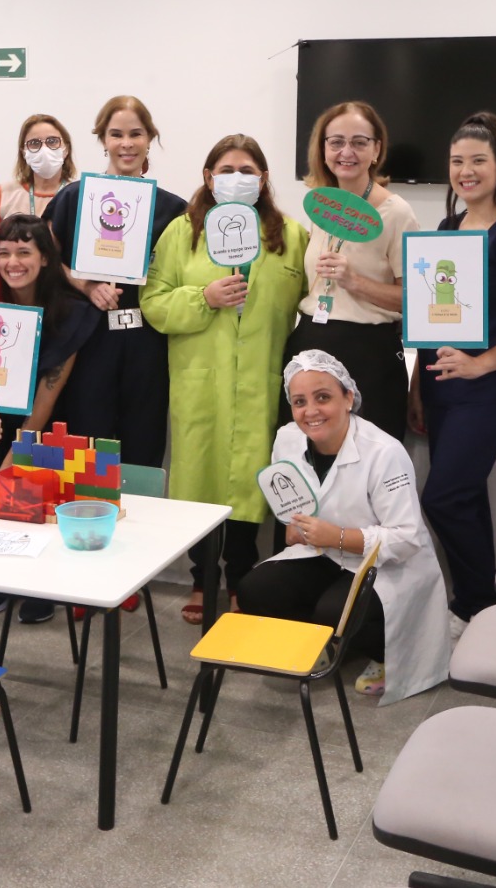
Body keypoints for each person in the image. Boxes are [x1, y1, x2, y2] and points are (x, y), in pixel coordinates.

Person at [142, 134, 310, 625]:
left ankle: (241, 580)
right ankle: (201, 579)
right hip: (201, 381)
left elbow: (310, 299)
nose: (237, 179)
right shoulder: (181, 233)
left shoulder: (290, 235)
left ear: (264, 178)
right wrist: (204, 298)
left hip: (261, 380)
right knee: (199, 479)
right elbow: (154, 302)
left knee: (250, 483)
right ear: (208, 177)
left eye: (247, 171)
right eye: (227, 170)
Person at [237, 350, 449, 704]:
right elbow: (290, 499)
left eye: (323, 397)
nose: (311, 411)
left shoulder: (384, 452)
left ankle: (384, 653)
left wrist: (337, 536)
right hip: (322, 553)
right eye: (299, 401)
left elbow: (407, 538)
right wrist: (293, 526)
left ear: (349, 397)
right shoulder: (288, 438)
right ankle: (328, 640)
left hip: (386, 564)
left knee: (335, 611)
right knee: (254, 590)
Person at [409, 113, 496, 630]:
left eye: (477, 161)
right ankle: (478, 604)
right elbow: (430, 318)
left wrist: (479, 364)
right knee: (464, 497)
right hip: (440, 385)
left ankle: (481, 605)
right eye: (456, 162)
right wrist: (417, 386)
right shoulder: (447, 229)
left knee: (442, 498)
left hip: (488, 387)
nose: (465, 171)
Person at [0, 214, 97, 623]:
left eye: (24, 252)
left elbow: (50, 391)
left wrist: (17, 454)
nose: (13, 262)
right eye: (4, 253)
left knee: (32, 502)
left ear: (45, 258)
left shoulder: (71, 312)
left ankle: (37, 584)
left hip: (37, 424)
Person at [42, 95, 187, 468]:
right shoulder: (73, 198)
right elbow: (46, 260)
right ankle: (88, 505)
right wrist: (86, 286)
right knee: (88, 442)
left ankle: (139, 505)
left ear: (149, 138)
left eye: (136, 134)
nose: (126, 144)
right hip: (90, 339)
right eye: (116, 134)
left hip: (147, 341)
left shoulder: (174, 209)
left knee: (143, 442)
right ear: (103, 139)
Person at [282, 101, 418, 444]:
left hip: (369, 352)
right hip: (311, 342)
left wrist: (355, 282)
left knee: (370, 458)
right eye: (336, 142)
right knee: (305, 455)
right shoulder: (319, 205)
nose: (346, 152)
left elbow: (415, 300)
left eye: (359, 142)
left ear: (376, 150)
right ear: (323, 148)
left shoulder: (396, 213)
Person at [0, 114, 77, 228]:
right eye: (34, 143)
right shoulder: (6, 193)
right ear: (24, 152)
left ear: (66, 149)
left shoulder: (77, 196)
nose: (44, 149)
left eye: (52, 141)